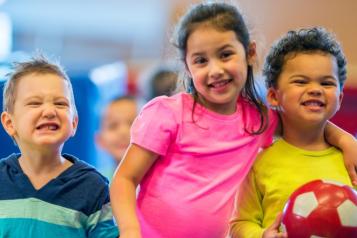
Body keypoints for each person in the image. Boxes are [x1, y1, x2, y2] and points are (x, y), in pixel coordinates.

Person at [110, 3, 357, 238]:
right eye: (201, 61)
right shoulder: (168, 114)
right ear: (187, 66)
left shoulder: (258, 119)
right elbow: (124, 179)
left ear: (249, 53)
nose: (215, 69)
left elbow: (303, 121)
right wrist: (130, 231)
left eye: (225, 54)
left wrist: (346, 140)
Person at [230, 27, 356, 238]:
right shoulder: (259, 162)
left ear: (340, 99)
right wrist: (262, 235)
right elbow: (239, 224)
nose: (315, 89)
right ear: (273, 96)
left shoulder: (350, 158)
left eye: (326, 83)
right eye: (301, 81)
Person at [0, 55, 119, 238]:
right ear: (9, 123)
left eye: (60, 103)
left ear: (74, 122)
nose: (49, 111)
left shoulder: (92, 186)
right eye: (35, 103)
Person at [96, 95, 138, 173]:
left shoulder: (162, 178)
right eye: (113, 126)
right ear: (100, 140)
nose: (123, 132)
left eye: (133, 123)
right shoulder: (98, 181)